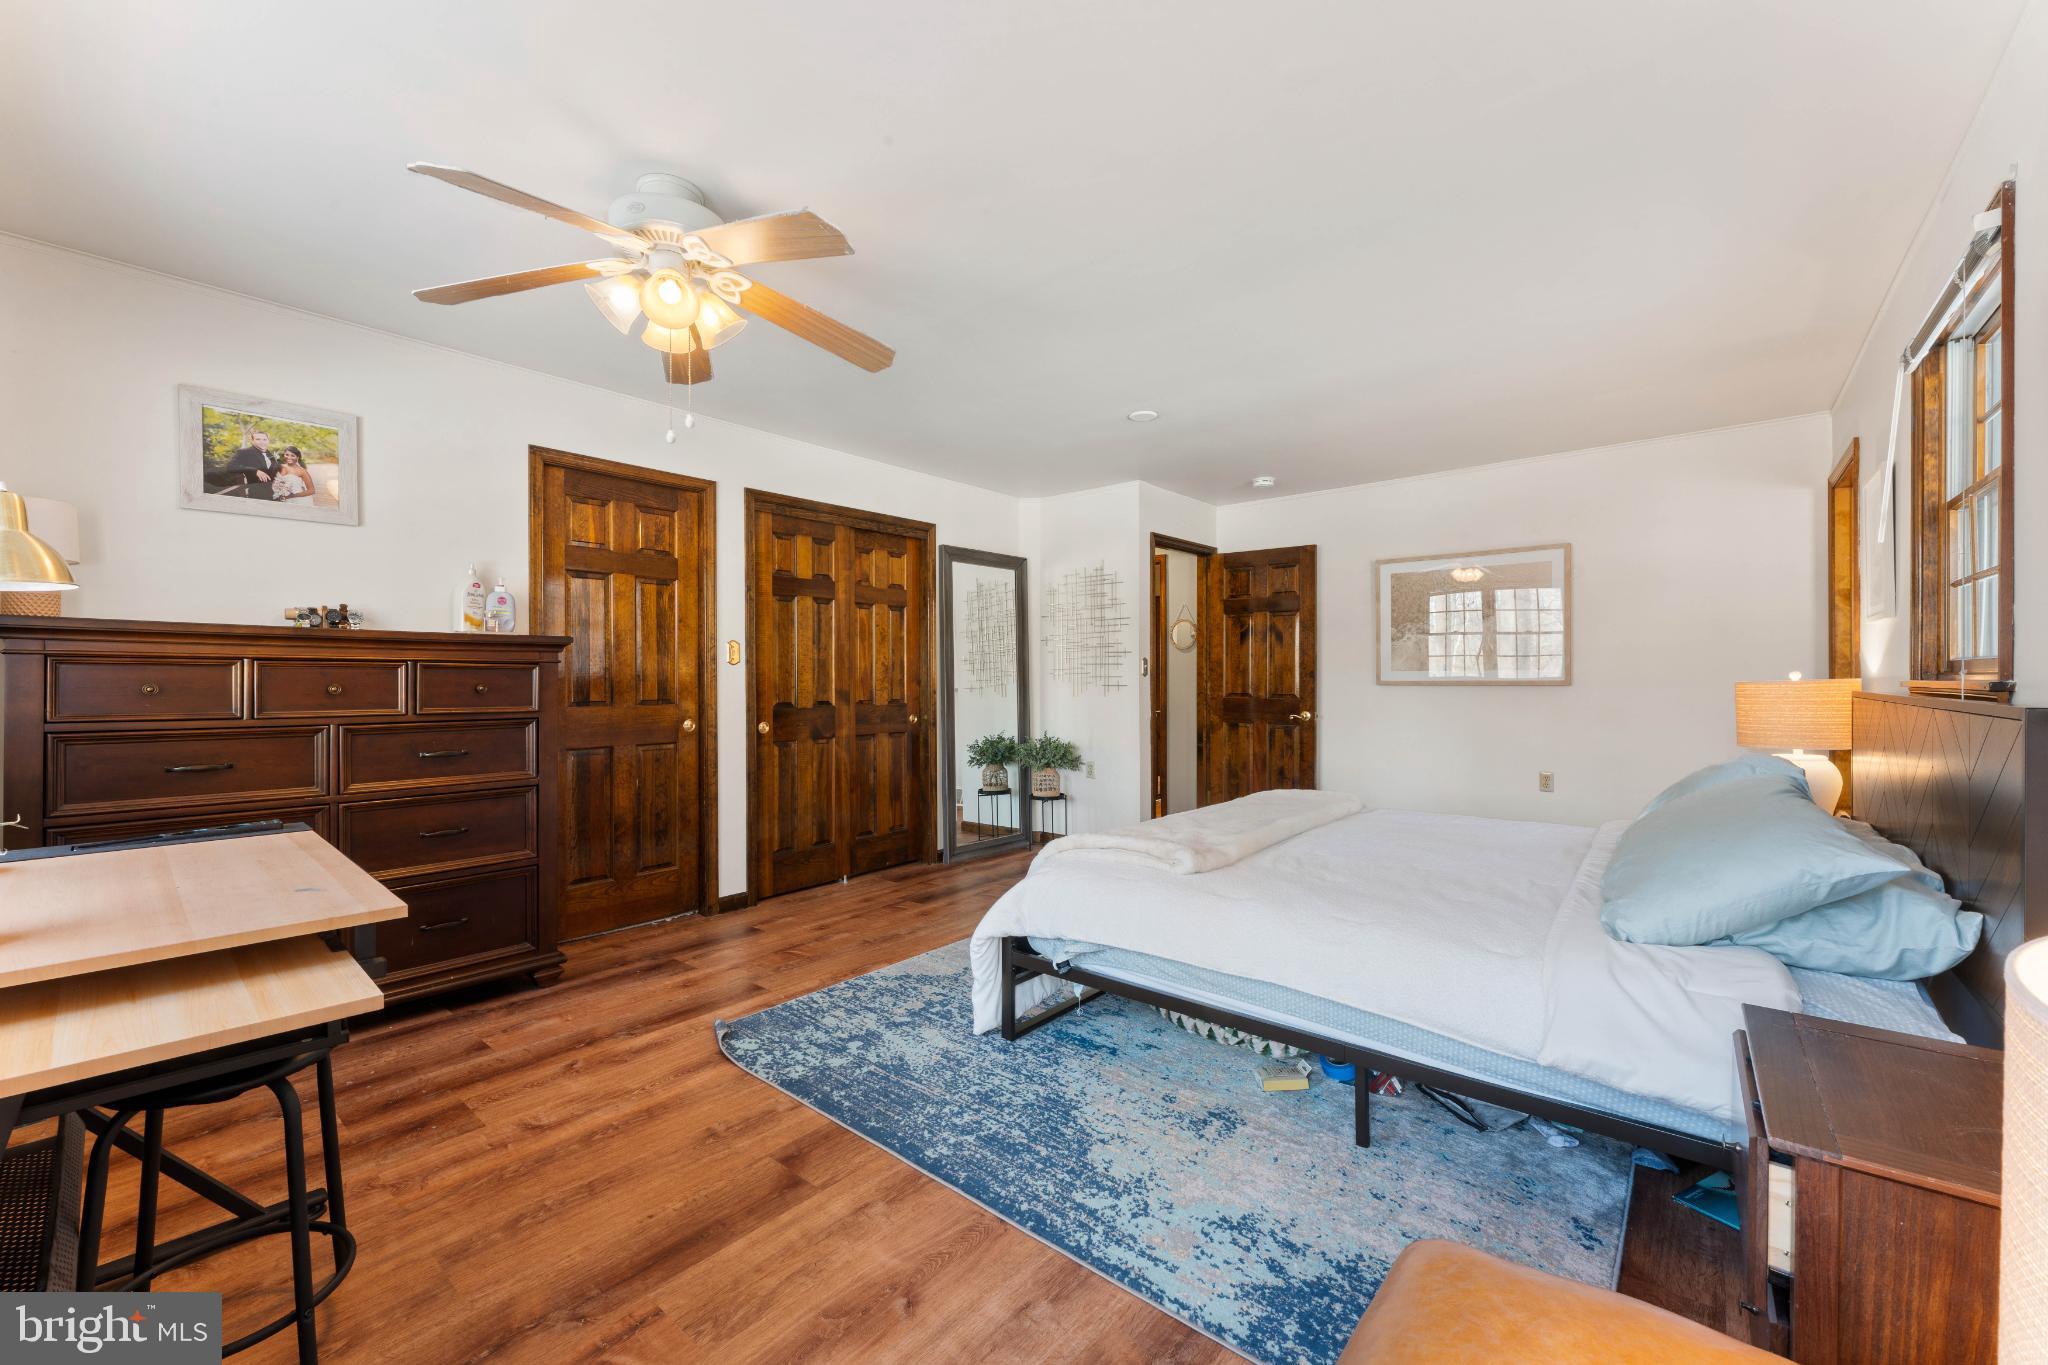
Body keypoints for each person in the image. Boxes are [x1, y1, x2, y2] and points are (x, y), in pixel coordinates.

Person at [203, 426, 277, 498]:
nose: (262, 442)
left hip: (274, 492)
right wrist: (255, 471)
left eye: (264, 439)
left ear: (268, 441)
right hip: (257, 494)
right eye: (258, 439)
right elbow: (231, 466)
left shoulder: (270, 455)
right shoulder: (245, 452)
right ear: (252, 441)